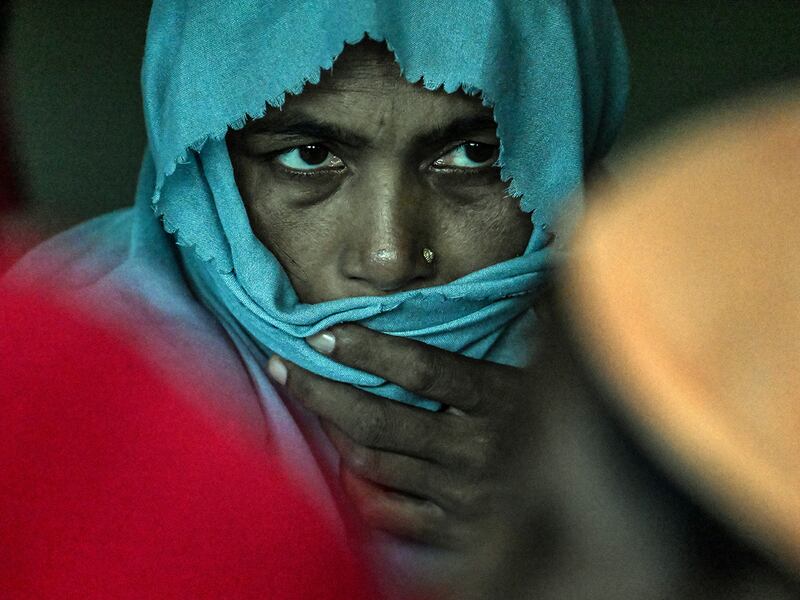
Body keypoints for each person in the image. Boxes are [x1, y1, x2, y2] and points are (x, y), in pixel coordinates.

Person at [5, 0, 628, 589]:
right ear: (206, 173)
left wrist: (600, 529)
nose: (388, 258)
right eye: (310, 155)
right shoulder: (51, 371)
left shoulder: (665, 362)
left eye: (474, 154)